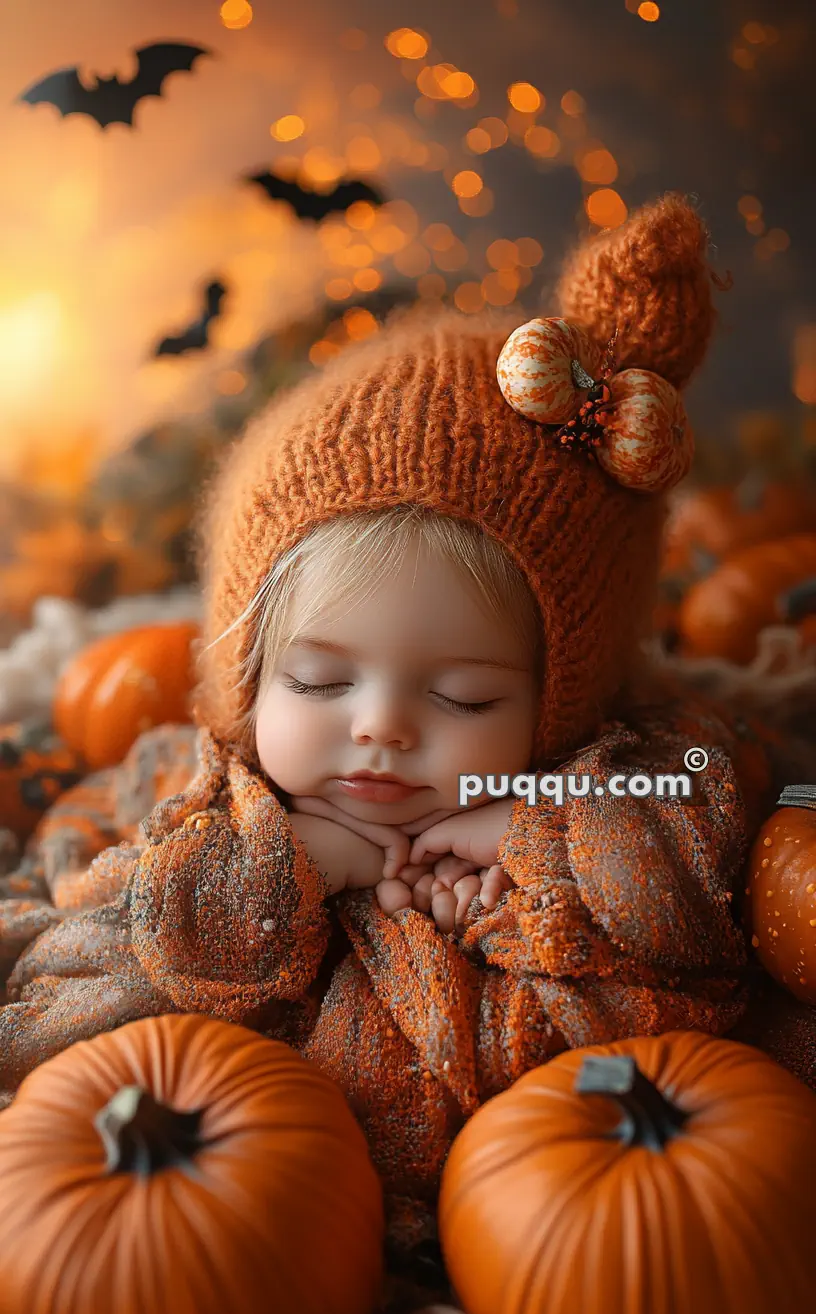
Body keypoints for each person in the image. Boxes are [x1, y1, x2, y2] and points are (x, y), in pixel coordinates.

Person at [0, 192, 813, 1246]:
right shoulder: (183, 788)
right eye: (321, 684)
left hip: (541, 1227)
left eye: (462, 697)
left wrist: (536, 833)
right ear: (243, 673)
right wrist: (275, 867)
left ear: (559, 696)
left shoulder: (627, 764)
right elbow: (50, 991)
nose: (379, 726)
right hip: (214, 1219)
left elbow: (717, 833)